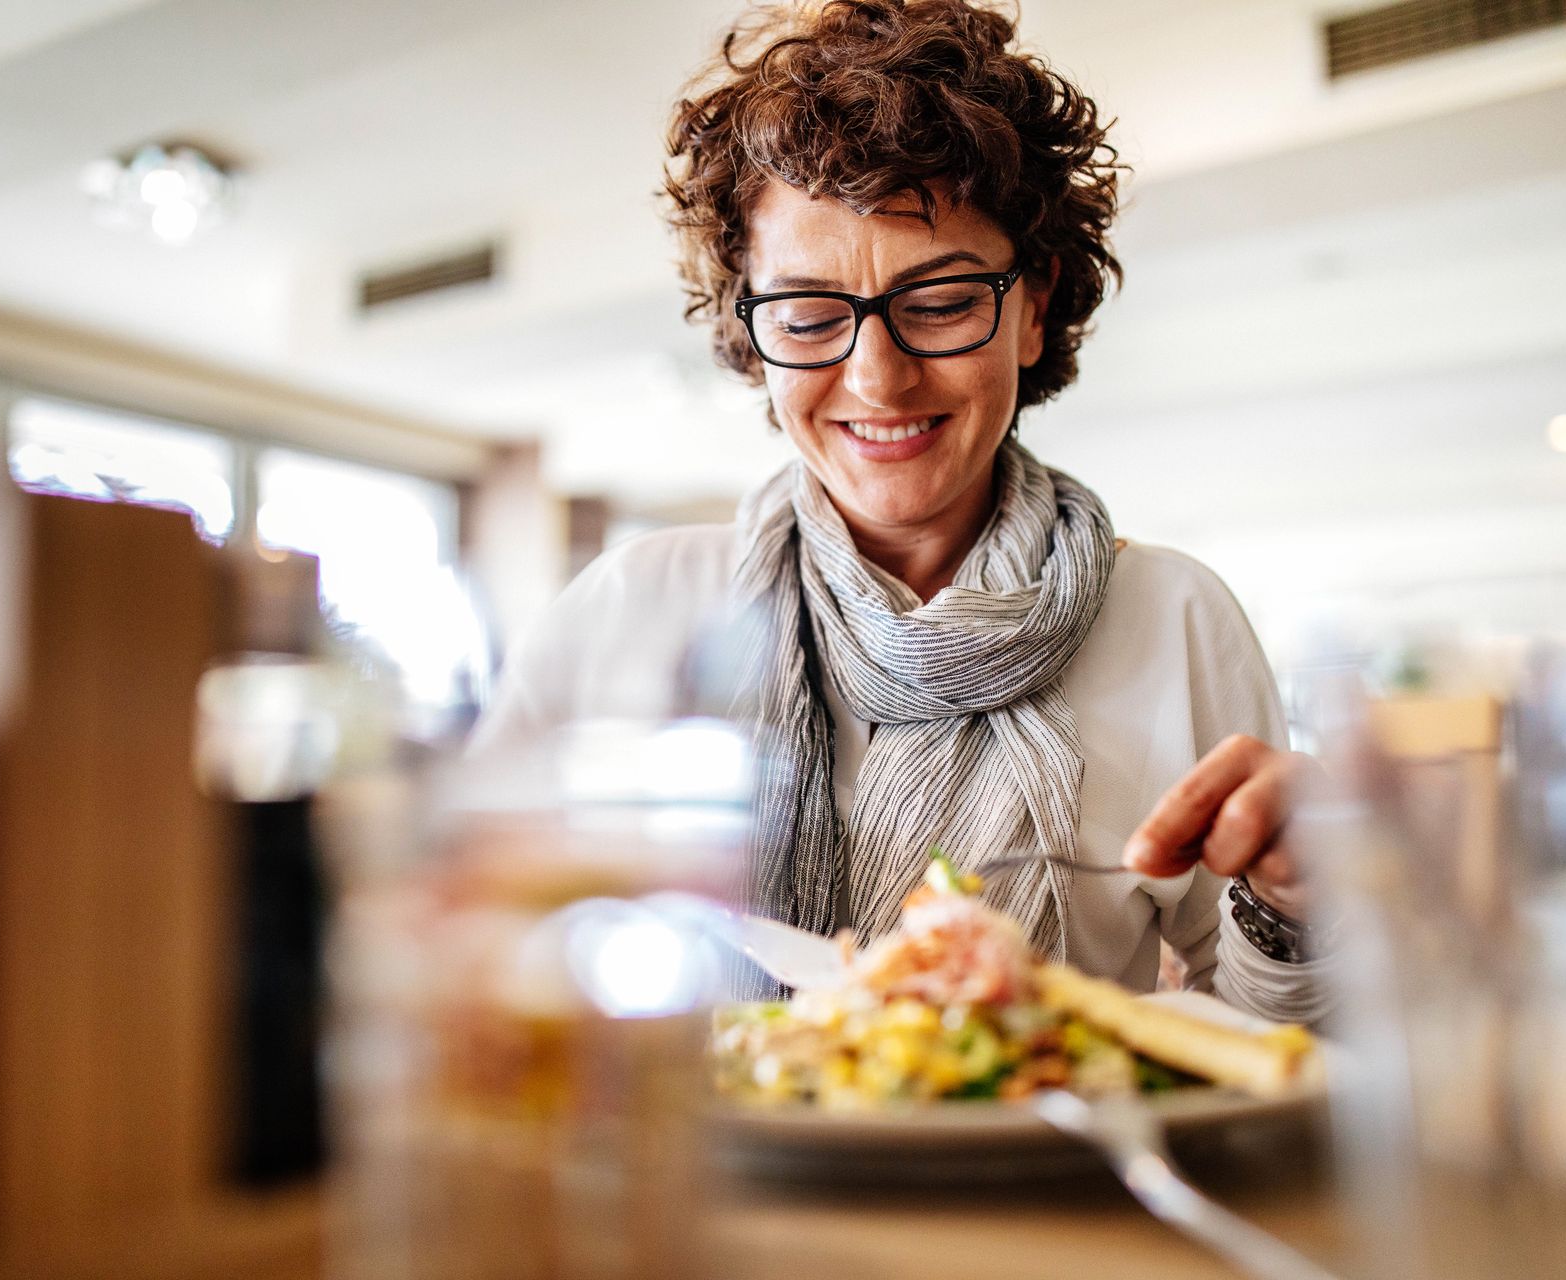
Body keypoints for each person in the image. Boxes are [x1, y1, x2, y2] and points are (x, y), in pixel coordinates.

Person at [477, 0, 1331, 1022]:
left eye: (938, 302)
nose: (876, 378)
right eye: (808, 315)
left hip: (1049, 1177)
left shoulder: (1176, 620)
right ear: (752, 331)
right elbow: (475, 945)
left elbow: (1257, 1043)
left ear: (1033, 305)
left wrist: (1296, 909)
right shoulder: (632, 608)